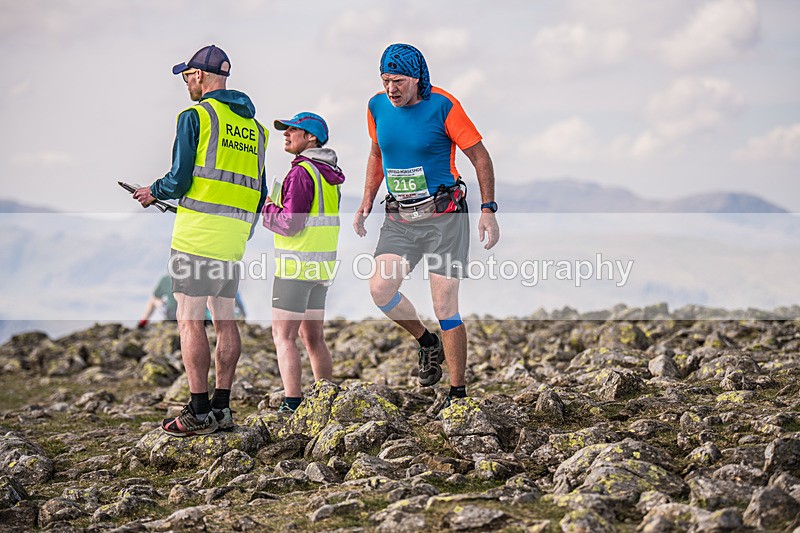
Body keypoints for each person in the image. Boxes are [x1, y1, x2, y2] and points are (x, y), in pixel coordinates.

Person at [353, 43, 500, 411]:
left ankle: (457, 393)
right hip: (400, 218)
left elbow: (480, 156)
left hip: (444, 217)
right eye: (385, 81)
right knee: (380, 289)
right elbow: (376, 154)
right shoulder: (376, 107)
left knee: (444, 304)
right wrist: (366, 201)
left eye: (398, 81)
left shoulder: (443, 105)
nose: (391, 89)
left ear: (417, 78)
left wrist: (488, 208)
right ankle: (426, 342)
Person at [133, 45, 268, 436]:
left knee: (189, 319)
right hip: (234, 237)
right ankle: (222, 409)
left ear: (200, 76)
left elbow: (179, 179)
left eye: (186, 76)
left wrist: (152, 191)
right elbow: (257, 191)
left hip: (196, 236)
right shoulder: (256, 130)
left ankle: (197, 410)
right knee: (225, 318)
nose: (185, 83)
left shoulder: (196, 115)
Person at [262, 112, 345, 412]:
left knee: (283, 336)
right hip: (320, 266)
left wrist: (267, 210)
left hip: (295, 266)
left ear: (311, 137)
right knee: (313, 336)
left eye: (293, 130)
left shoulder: (300, 173)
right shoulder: (329, 174)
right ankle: (327, 397)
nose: (286, 134)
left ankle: (292, 402)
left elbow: (291, 224)